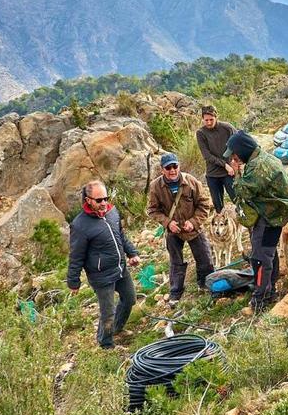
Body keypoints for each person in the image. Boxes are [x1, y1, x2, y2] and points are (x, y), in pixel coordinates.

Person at [224, 130, 288, 312]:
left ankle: (261, 298)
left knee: (259, 259)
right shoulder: (263, 158)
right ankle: (270, 292)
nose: (233, 158)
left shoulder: (259, 166)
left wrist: (237, 174)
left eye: (234, 155)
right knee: (268, 254)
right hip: (273, 216)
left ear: (242, 150)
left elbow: (242, 191)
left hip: (268, 218)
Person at [67, 180, 141, 349]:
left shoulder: (113, 212)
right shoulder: (80, 225)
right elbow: (76, 256)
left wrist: (132, 253)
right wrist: (73, 281)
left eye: (106, 198)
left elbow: (121, 236)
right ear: (88, 200)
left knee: (129, 299)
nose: (104, 203)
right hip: (101, 276)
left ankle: (117, 329)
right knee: (107, 313)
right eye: (99, 200)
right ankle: (105, 345)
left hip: (120, 268)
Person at [147, 152, 215, 307]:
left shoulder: (191, 181)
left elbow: (205, 204)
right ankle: (175, 292)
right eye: (168, 167)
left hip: (193, 229)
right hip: (173, 231)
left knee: (204, 258)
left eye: (175, 166)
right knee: (176, 263)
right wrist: (167, 222)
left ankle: (207, 285)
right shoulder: (155, 187)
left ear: (179, 166)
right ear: (162, 169)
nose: (172, 170)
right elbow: (152, 210)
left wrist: (193, 222)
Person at [196, 105, 237, 213]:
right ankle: (224, 229)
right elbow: (207, 155)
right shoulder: (201, 133)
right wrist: (225, 165)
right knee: (218, 207)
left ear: (216, 117)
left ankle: (249, 226)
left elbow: (238, 143)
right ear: (202, 119)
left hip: (229, 173)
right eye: (206, 120)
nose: (209, 122)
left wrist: (236, 162)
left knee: (237, 201)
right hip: (213, 174)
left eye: (211, 119)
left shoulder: (227, 128)